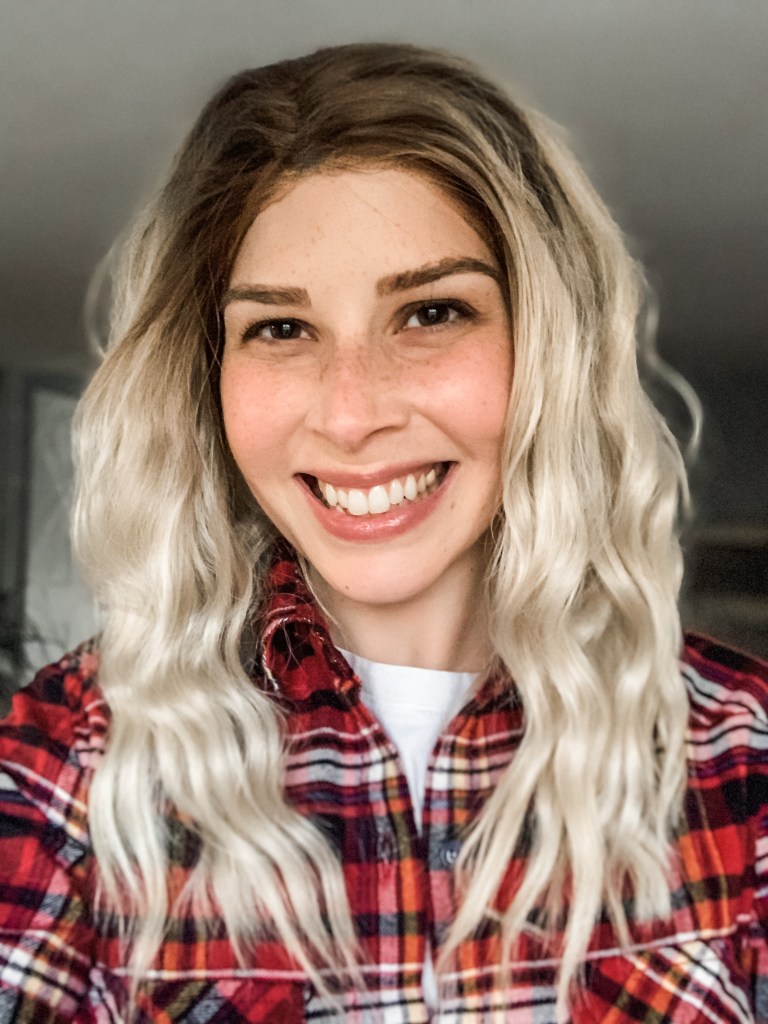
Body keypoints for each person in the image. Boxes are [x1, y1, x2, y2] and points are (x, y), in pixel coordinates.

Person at [0, 42, 766, 1024]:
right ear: (207, 377)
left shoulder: (741, 757)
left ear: (549, 348)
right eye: (281, 329)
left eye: (431, 312)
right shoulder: (63, 765)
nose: (352, 414)